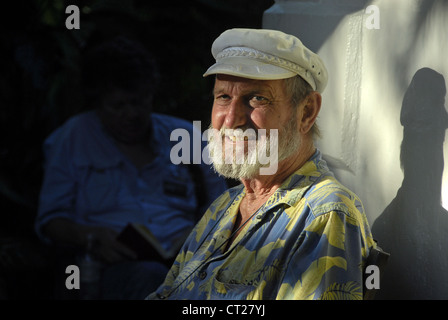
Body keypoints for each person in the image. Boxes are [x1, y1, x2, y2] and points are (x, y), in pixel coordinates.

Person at [147, 28, 376, 300]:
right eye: (223, 97)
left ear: (307, 112)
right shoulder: (226, 205)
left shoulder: (325, 212)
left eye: (256, 98)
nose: (231, 120)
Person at [34, 36, 228, 299]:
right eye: (118, 105)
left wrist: (198, 234)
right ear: (98, 104)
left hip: (186, 260)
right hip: (107, 265)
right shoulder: (73, 138)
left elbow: (221, 207)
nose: (131, 114)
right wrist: (91, 236)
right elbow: (51, 220)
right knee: (148, 277)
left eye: (138, 102)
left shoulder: (184, 135)